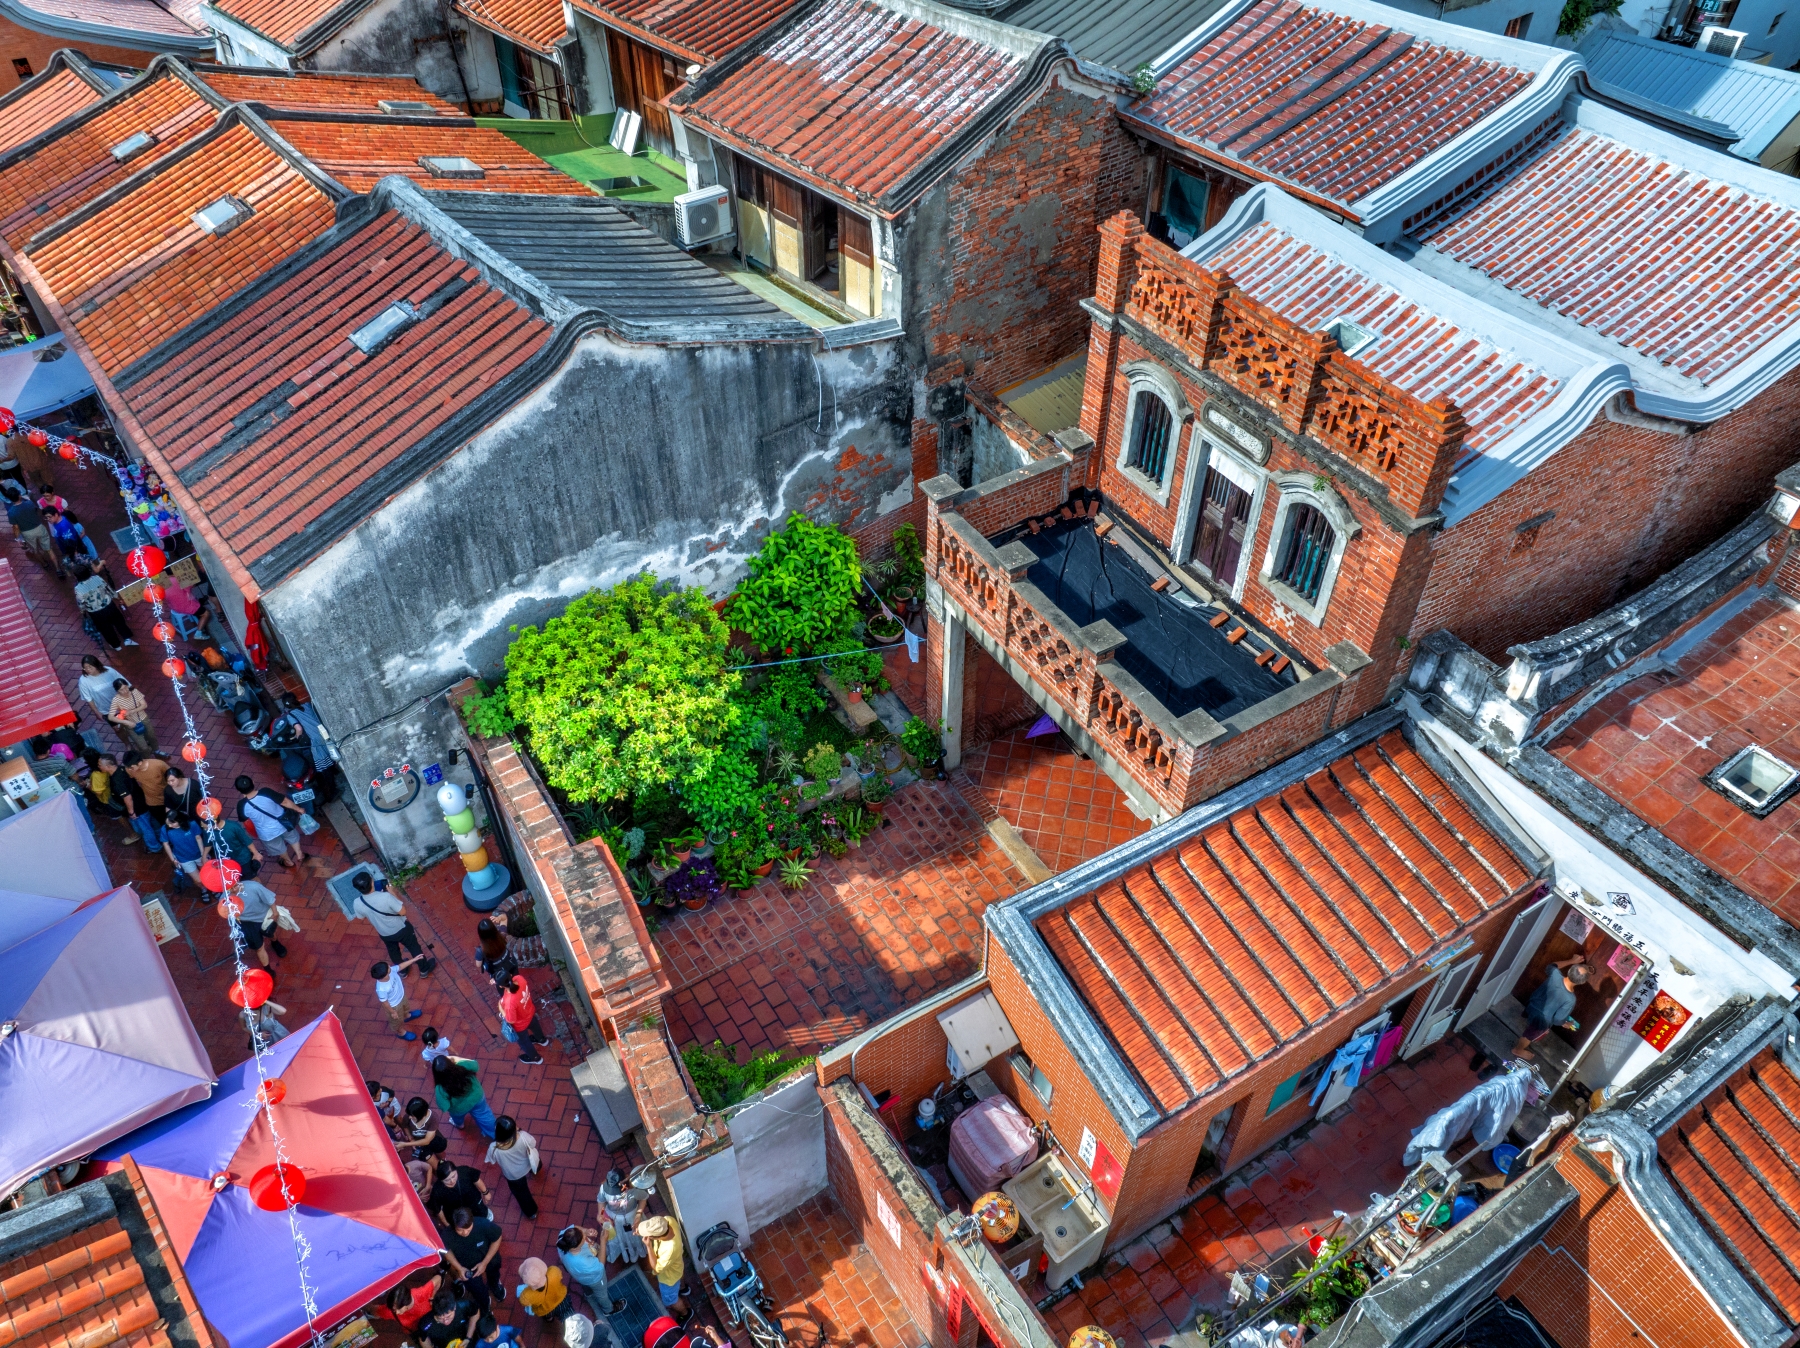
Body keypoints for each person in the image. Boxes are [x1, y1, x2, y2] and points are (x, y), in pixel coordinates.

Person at [352, 870, 436, 971]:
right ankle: (424, 968)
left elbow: (361, 917)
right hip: (401, 928)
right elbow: (402, 912)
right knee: (414, 948)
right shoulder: (386, 897)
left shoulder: (357, 903)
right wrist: (392, 893)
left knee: (393, 952)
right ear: (372, 882)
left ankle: (402, 970)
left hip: (384, 933)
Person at [1513, 955, 1592, 1058]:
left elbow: (1551, 966)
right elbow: (1557, 1020)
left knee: (1530, 1017)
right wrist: (1565, 1023)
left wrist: (1571, 960)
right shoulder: (1570, 1000)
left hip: (1532, 1003)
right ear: (1582, 982)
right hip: (1542, 1020)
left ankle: (1528, 1021)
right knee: (1529, 1035)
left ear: (1569, 971)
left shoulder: (1555, 974)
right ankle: (1518, 1050)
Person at [235, 773, 308, 868]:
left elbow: (243, 819)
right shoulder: (266, 792)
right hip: (284, 823)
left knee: (277, 847)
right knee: (292, 837)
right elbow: (285, 802)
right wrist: (299, 809)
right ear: (253, 782)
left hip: (267, 833)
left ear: (239, 791)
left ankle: (288, 862)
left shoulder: (241, 805)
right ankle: (299, 854)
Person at [444, 1206, 506, 1316]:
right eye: (460, 1230)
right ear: (454, 1227)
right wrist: (459, 1268)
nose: (465, 1232)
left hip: (488, 1258)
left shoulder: (483, 1224)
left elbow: (497, 1238)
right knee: (476, 1289)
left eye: (468, 1228)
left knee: (494, 1274)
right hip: (466, 1267)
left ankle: (494, 1286)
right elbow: (446, 1251)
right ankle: (485, 1303)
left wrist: (485, 1263)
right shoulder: (447, 1234)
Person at [555, 1227, 626, 1316]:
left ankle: (588, 1293)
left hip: (579, 1276)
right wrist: (603, 1241)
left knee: (586, 1285)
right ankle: (608, 1309)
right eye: (583, 1238)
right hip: (595, 1280)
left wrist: (585, 1230)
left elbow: (574, 1227)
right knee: (602, 1295)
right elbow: (600, 1265)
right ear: (575, 1247)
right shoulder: (584, 1262)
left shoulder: (562, 1239)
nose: (585, 1236)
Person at [486, 1115, 539, 1219]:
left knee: (522, 1193)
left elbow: (491, 1160)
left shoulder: (494, 1147)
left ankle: (531, 1212)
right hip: (528, 1163)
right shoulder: (523, 1136)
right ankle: (537, 1168)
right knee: (537, 1162)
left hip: (513, 1175)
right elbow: (533, 1143)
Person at [433, 1055, 497, 1140]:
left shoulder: (440, 1089)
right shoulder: (463, 1066)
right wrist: (456, 1058)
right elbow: (475, 1065)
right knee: (484, 1114)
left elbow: (444, 1107)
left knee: (457, 1118)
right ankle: (496, 1134)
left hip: (459, 1109)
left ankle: (460, 1125)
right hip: (477, 1097)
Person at [74, 565, 136, 650]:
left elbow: (81, 603)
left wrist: (83, 611)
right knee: (119, 622)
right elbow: (109, 589)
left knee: (105, 628)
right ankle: (127, 638)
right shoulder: (97, 578)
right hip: (109, 605)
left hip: (96, 612)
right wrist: (117, 597)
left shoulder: (78, 589)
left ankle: (116, 645)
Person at [638, 1215, 688, 1318]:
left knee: (671, 1300)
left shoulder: (669, 1250)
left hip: (669, 1279)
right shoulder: (669, 1220)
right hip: (677, 1266)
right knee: (679, 1275)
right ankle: (683, 1288)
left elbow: (656, 1268)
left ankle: (685, 1314)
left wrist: (648, 1246)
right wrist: (641, 1230)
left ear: (655, 1237)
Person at [233, 876, 287, 966]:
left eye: (235, 886)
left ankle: (275, 942)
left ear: (238, 880)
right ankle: (268, 969)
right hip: (246, 922)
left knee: (270, 932)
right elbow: (227, 913)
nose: (233, 890)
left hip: (263, 916)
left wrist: (275, 912)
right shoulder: (225, 898)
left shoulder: (254, 887)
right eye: (230, 888)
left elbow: (270, 899)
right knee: (259, 948)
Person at [7, 485, 61, 574]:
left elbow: (16, 527)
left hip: (27, 533)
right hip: (39, 528)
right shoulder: (29, 503)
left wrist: (18, 538)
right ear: (19, 495)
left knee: (35, 550)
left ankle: (44, 564)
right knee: (49, 549)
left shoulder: (11, 512)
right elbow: (36, 511)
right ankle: (58, 569)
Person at [498, 975, 550, 1066]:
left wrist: (501, 1008)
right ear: (510, 975)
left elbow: (511, 1020)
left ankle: (536, 1058)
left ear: (501, 986)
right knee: (535, 1026)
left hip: (520, 1026)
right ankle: (542, 1040)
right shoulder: (520, 978)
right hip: (529, 1012)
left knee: (524, 1042)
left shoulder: (510, 1002)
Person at [110, 756, 159, 851]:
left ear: (108, 766)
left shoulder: (117, 780)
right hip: (143, 800)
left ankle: (154, 847)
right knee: (153, 822)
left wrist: (131, 812)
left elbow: (127, 797)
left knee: (145, 829)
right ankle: (160, 838)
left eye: (100, 764)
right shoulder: (124, 769)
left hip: (137, 808)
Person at [598, 1171, 647, 1263]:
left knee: (634, 1235)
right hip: (615, 1220)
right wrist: (600, 1213)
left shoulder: (633, 1191)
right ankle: (623, 1246)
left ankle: (636, 1250)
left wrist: (638, 1214)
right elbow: (601, 1201)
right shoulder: (604, 1188)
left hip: (632, 1218)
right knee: (619, 1236)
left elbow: (643, 1199)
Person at [373, 955, 426, 1038]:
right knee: (396, 1021)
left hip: (401, 996)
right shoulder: (381, 989)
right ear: (385, 975)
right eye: (388, 968)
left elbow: (400, 966)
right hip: (394, 1006)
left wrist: (414, 960)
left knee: (406, 1007)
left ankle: (407, 1016)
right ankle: (401, 1033)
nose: (390, 967)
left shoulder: (390, 971)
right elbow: (384, 1002)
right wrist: (392, 1012)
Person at [428, 1161, 493, 1228]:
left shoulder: (464, 1171)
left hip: (475, 1204)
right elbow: (438, 1210)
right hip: (457, 1213)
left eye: (454, 1176)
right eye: (447, 1180)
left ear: (456, 1170)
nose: (452, 1181)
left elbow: (476, 1180)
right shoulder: (437, 1190)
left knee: (483, 1216)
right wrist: (447, 1224)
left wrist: (485, 1192)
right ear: (441, 1180)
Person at [516, 1258, 570, 1326]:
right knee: (567, 1313)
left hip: (546, 1309)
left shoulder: (527, 1295)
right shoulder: (553, 1272)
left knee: (548, 1315)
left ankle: (549, 1319)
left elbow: (523, 1302)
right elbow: (559, 1274)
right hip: (561, 1298)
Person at [107, 679, 157, 755]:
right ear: (117, 691)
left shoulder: (134, 692)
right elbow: (110, 717)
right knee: (143, 747)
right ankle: (147, 758)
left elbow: (144, 705)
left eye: (126, 687)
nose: (125, 691)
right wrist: (126, 722)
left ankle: (156, 750)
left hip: (143, 719)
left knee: (151, 737)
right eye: (121, 690)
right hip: (131, 725)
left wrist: (131, 711)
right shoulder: (116, 700)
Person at [76, 657, 126, 730]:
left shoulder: (109, 671)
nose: (88, 670)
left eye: (90, 667)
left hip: (123, 704)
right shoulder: (83, 681)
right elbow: (89, 699)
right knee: (118, 729)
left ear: (96, 664)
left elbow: (124, 683)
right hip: (107, 710)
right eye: (85, 668)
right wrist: (97, 712)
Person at [161, 811, 205, 888]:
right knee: (198, 880)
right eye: (168, 823)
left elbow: (198, 838)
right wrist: (173, 860)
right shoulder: (165, 829)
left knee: (206, 873)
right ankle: (203, 889)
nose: (169, 826)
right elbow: (166, 844)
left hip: (198, 854)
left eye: (172, 823)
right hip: (183, 858)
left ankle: (210, 887)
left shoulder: (192, 824)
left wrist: (203, 854)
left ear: (180, 821)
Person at [124, 751, 171, 820]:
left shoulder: (158, 765)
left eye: (131, 767)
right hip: (152, 802)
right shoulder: (129, 769)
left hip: (167, 798)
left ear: (139, 763)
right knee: (162, 821)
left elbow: (172, 777)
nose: (129, 769)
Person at [477, 918, 519, 990]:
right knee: (517, 980)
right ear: (494, 929)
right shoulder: (501, 935)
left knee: (504, 988)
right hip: (510, 964)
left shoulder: (481, 951)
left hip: (499, 973)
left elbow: (478, 964)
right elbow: (504, 919)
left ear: (480, 935)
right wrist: (498, 918)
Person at [403, 1097, 448, 1162]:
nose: (409, 1117)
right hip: (419, 1143)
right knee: (426, 1157)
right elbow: (405, 1126)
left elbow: (427, 1140)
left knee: (440, 1151)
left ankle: (442, 1161)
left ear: (420, 1115)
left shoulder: (433, 1118)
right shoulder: (408, 1116)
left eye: (413, 1116)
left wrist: (405, 1144)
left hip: (433, 1140)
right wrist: (411, 1138)